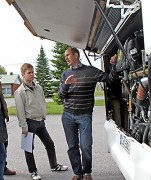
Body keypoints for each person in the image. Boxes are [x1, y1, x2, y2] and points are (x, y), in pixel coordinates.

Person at [58, 47, 118, 180]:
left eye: (68, 55)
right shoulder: (65, 74)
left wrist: (113, 66)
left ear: (75, 55)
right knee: (72, 146)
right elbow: (61, 95)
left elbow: (109, 79)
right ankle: (77, 173)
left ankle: (87, 172)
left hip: (84, 115)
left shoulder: (91, 71)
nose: (66, 58)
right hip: (68, 115)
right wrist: (66, 85)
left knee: (85, 146)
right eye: (65, 56)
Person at [14, 63, 68, 180]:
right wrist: (24, 127)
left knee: (49, 143)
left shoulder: (38, 87)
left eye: (33, 72)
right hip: (29, 123)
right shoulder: (20, 92)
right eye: (29, 72)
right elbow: (20, 111)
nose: (32, 74)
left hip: (40, 122)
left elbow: (42, 102)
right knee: (28, 148)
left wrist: (43, 116)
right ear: (23, 74)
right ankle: (33, 171)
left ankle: (54, 165)